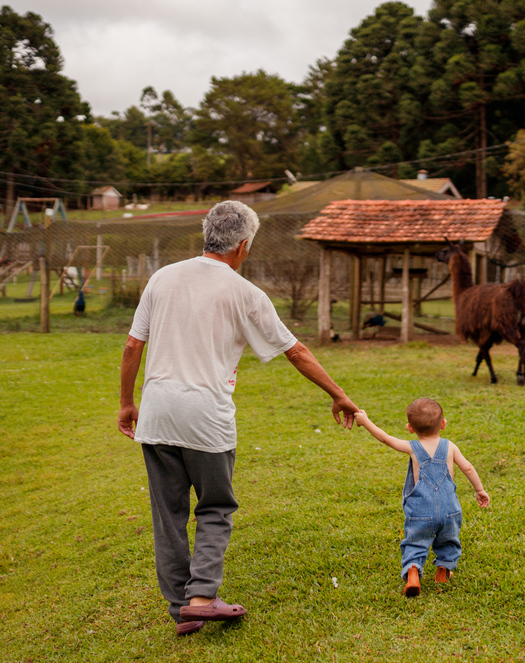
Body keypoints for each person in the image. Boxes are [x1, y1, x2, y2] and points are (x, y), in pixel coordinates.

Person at [118, 200, 358, 635]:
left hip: (156, 414)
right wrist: (339, 395)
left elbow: (133, 346)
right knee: (215, 506)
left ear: (206, 233)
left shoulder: (162, 277)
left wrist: (126, 403)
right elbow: (296, 352)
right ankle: (202, 597)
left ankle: (181, 612)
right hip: (205, 417)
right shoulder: (245, 293)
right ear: (243, 244)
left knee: (167, 514)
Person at [353, 398, 489, 597]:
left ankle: (413, 572)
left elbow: (385, 438)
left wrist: (365, 421)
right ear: (443, 424)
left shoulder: (412, 448)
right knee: (449, 540)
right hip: (450, 510)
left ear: (410, 428)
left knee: (416, 542)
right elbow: (468, 467)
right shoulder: (450, 446)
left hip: (421, 512)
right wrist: (479, 490)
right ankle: (443, 570)